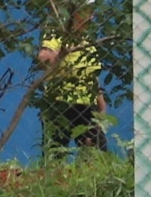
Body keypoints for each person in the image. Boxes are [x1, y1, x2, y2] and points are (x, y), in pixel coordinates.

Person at [37, 9, 108, 154]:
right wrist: (65, 50)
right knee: (55, 151)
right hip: (60, 102)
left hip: (87, 105)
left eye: (91, 13)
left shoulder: (88, 42)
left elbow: (92, 74)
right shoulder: (56, 36)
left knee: (97, 150)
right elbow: (43, 60)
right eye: (85, 13)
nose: (90, 17)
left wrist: (100, 102)